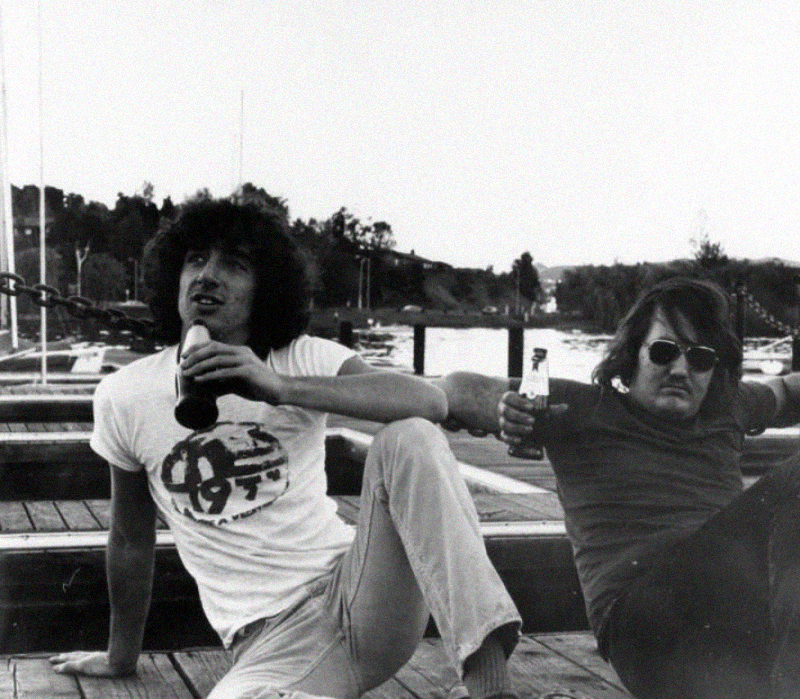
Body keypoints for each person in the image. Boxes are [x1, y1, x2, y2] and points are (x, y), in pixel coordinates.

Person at [49, 198, 521, 699]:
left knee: (410, 435)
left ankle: (490, 686)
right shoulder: (126, 394)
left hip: (360, 593)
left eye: (234, 264)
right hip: (270, 643)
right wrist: (120, 657)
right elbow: (129, 539)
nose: (207, 276)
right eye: (195, 260)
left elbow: (426, 401)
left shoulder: (301, 357)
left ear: (265, 287)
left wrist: (279, 386)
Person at [436, 275, 800, 699]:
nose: (681, 368)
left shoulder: (727, 408)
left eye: (700, 358)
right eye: (664, 351)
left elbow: (791, 390)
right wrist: (506, 407)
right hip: (650, 630)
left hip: (738, 627)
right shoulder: (579, 407)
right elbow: (453, 388)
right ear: (632, 354)